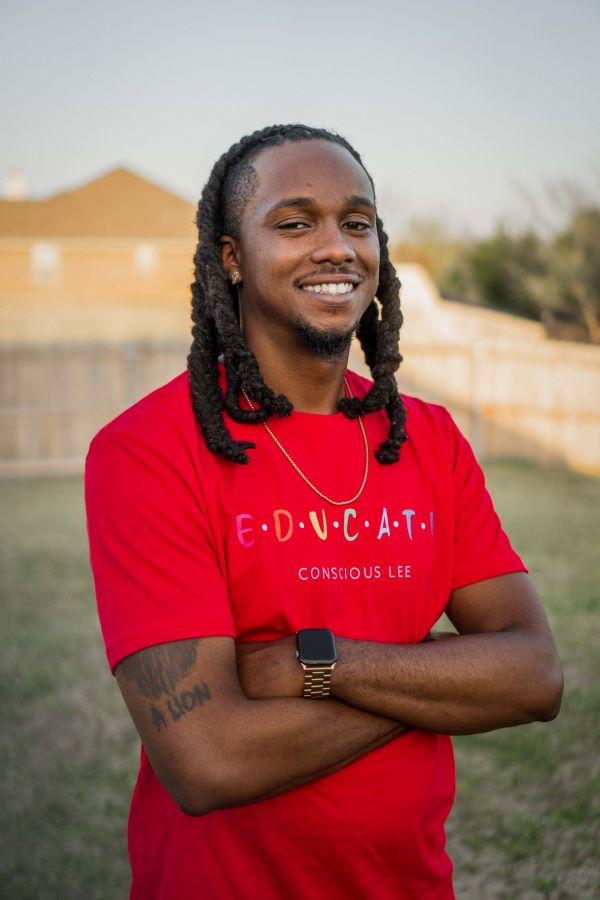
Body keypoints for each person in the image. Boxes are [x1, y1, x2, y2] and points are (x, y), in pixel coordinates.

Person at [84, 124, 563, 900]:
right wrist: (441, 676)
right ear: (231, 256)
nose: (336, 246)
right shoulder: (146, 450)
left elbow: (535, 677)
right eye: (295, 222)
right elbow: (208, 760)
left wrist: (319, 664)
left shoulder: (429, 442)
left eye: (359, 221)